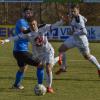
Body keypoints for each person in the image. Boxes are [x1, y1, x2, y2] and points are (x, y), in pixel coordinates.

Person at [56, 4, 100, 76]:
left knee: (87, 57)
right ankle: (64, 67)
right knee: (61, 49)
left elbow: (85, 32)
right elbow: (85, 19)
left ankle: (99, 67)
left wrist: (74, 32)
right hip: (73, 39)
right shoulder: (76, 16)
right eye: (72, 11)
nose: (73, 13)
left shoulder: (79, 20)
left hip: (81, 41)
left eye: (74, 11)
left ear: (78, 11)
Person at [9, 6, 42, 90]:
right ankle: (40, 86)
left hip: (18, 51)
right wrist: (36, 30)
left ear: (32, 14)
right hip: (21, 51)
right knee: (40, 65)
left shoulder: (29, 22)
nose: (28, 13)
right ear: (23, 14)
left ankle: (16, 85)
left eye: (30, 12)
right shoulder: (22, 21)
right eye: (26, 12)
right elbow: (24, 30)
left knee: (23, 68)